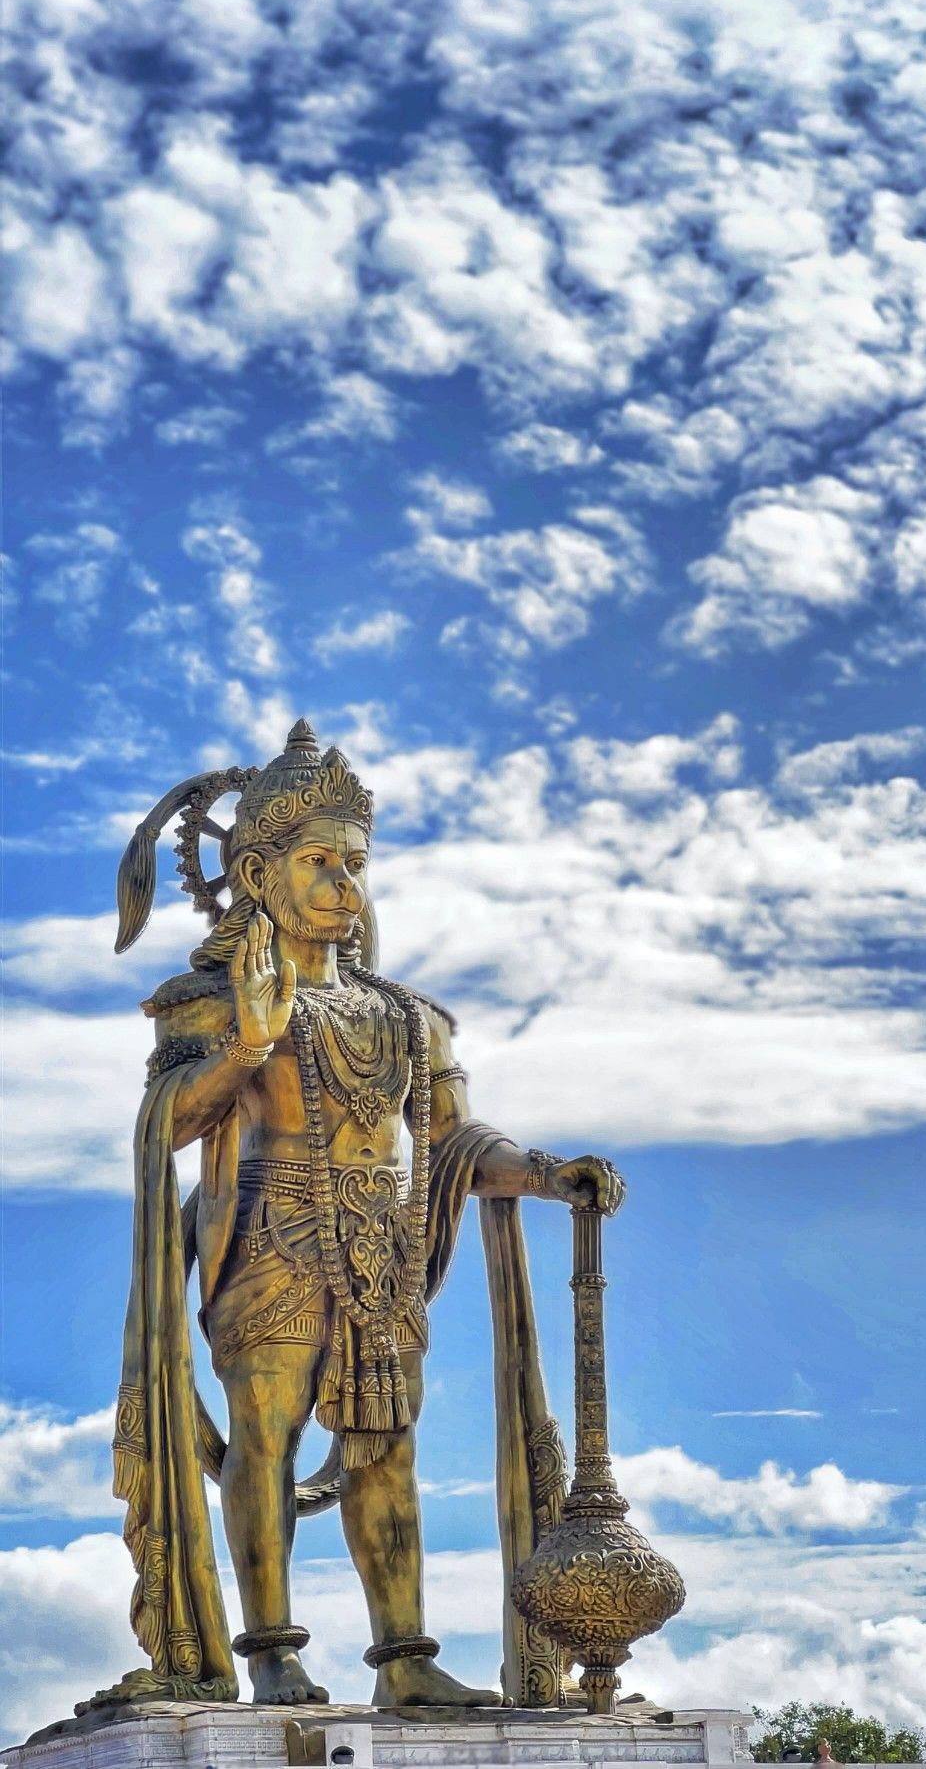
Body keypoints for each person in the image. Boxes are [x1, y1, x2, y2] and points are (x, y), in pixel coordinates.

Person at [98, 720, 623, 1712]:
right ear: (254, 871)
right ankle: (268, 1650)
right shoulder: (213, 999)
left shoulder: (408, 1017)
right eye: (316, 860)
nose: (342, 882)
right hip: (270, 1237)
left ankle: (404, 1657)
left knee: (386, 1449)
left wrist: (550, 1175)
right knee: (267, 1432)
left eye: (354, 863)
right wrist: (248, 1047)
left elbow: (461, 1144)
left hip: (383, 1247)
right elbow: (165, 1122)